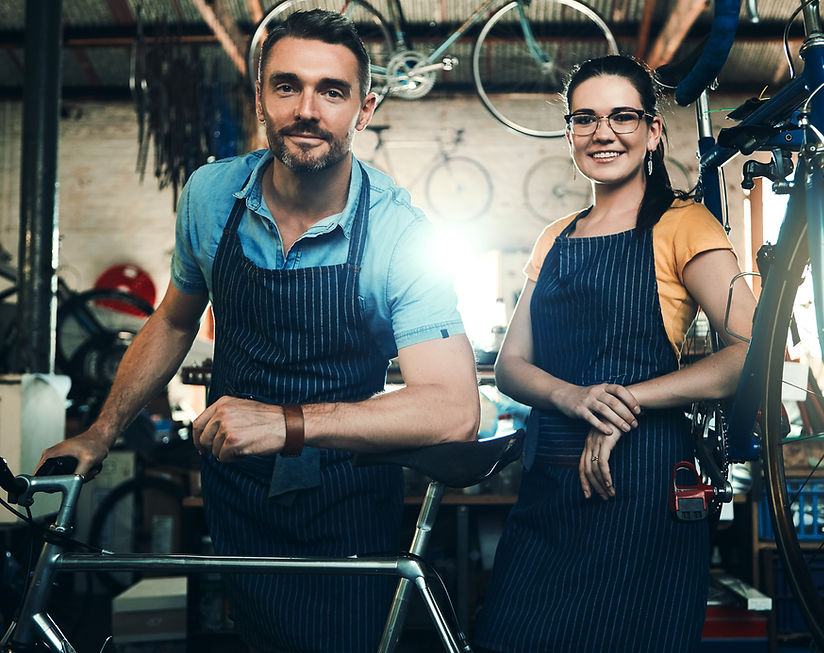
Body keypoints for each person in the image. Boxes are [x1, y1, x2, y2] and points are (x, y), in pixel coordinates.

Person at [38, 10, 479, 653]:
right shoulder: (211, 195)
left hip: (347, 495)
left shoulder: (400, 234)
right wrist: (100, 432)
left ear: (365, 110)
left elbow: (454, 409)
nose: (307, 110)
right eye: (287, 86)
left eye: (332, 91)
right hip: (236, 487)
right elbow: (174, 320)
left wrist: (287, 422)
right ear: (260, 99)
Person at [473, 55, 756, 653]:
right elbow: (511, 366)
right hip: (550, 481)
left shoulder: (685, 225)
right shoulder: (555, 237)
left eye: (622, 117)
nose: (603, 133)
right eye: (586, 118)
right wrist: (574, 398)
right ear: (570, 132)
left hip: (643, 482)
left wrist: (624, 401)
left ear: (653, 131)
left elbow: (748, 353)